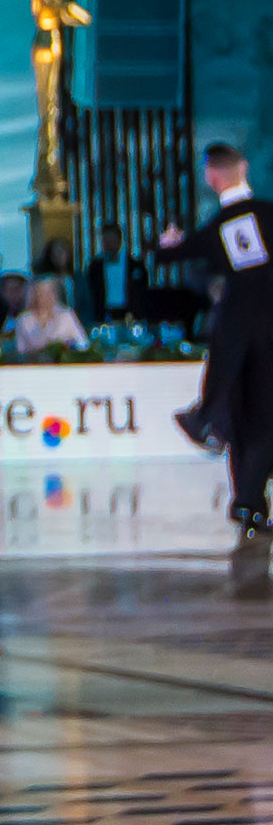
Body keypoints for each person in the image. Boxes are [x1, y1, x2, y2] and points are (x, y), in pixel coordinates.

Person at [157, 143, 273, 592]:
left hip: (235, 341)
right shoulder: (267, 214)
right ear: (243, 168)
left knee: (244, 423)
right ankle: (248, 502)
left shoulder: (216, 229)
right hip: (267, 340)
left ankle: (248, 502)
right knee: (262, 425)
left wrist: (169, 244)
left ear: (211, 178)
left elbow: (171, 255)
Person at [84, 220, 142, 326]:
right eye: (105, 240)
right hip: (104, 314)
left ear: (119, 239)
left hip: (129, 314)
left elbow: (140, 293)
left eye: (112, 239)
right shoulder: (95, 266)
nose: (109, 243)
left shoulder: (135, 265)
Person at [15, 275, 88, 357]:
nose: (44, 297)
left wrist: (68, 346)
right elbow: (20, 351)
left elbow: (83, 343)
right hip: (35, 363)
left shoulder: (66, 315)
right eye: (40, 293)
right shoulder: (23, 320)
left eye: (48, 292)